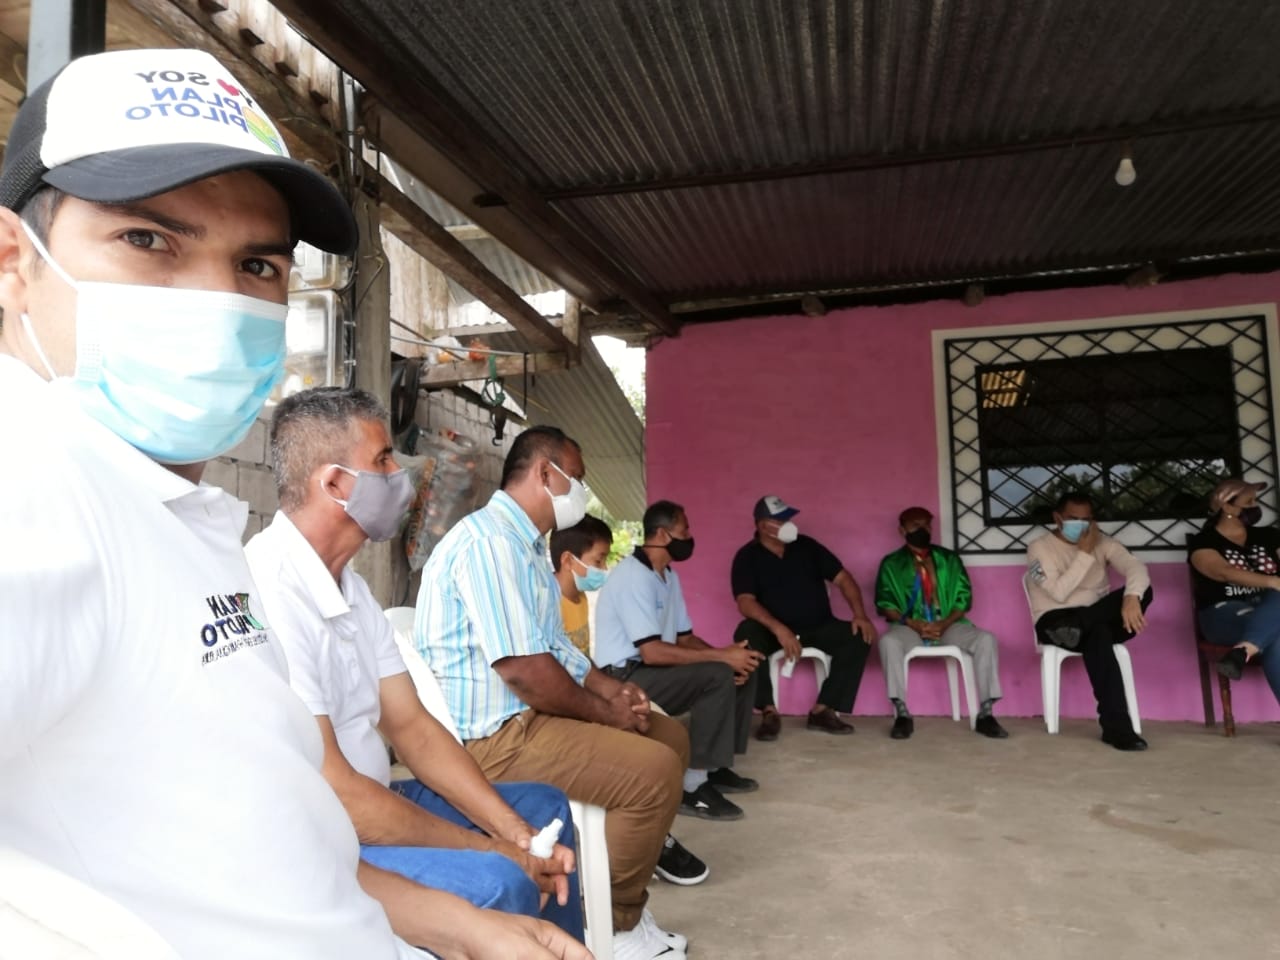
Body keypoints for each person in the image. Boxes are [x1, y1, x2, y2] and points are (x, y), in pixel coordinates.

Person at [0, 47, 586, 960]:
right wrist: (490, 857)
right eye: (148, 240)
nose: (217, 302)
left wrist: (468, 927)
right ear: (13, 262)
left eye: (258, 264)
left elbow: (281, 832)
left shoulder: (178, 515)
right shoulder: (36, 484)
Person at [246, 387, 583, 940]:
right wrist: (492, 850)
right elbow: (341, 794)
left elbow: (413, 729)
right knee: (499, 880)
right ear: (334, 484)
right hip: (321, 832)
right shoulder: (271, 592)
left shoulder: (351, 590)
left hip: (370, 804)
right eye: (382, 459)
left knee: (541, 813)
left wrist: (515, 835)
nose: (398, 473)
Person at [415, 425, 693, 960]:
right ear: (546, 474)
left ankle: (617, 887)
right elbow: (524, 670)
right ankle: (612, 927)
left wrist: (616, 691)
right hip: (493, 740)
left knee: (669, 737)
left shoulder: (525, 546)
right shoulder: (490, 543)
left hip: (527, 717)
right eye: (578, 479)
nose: (582, 492)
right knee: (654, 774)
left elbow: (557, 649)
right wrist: (606, 715)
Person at [549, 514, 710, 887]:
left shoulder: (577, 599)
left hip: (589, 690)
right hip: (567, 707)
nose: (604, 569)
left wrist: (613, 691)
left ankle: (653, 835)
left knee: (664, 730)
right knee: (642, 750)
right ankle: (638, 849)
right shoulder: (550, 600)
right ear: (568, 560)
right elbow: (553, 677)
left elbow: (581, 662)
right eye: (599, 559)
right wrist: (604, 708)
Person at [595, 500, 763, 822]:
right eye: (684, 530)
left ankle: (714, 767)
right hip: (623, 679)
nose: (689, 536)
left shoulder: (667, 576)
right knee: (718, 674)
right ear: (662, 534)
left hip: (651, 669)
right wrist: (722, 658)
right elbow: (652, 652)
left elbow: (685, 639)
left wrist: (732, 657)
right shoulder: (633, 576)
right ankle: (692, 788)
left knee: (742, 668)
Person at [731, 495, 877, 739]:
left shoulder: (807, 546)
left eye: (788, 518)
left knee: (859, 636)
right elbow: (745, 602)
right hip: (773, 632)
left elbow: (844, 578)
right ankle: (768, 712)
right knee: (746, 633)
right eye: (780, 520)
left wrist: (860, 615)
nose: (788, 524)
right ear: (763, 526)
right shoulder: (747, 557)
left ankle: (823, 710)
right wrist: (780, 629)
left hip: (818, 626)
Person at [1026, 491, 1153, 751]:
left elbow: (1136, 567)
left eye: (1087, 519)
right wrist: (1084, 553)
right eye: (1074, 519)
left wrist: (1131, 596)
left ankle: (1080, 624)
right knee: (1099, 634)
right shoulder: (1038, 548)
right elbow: (1058, 593)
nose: (1082, 525)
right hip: (1055, 622)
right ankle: (1118, 730)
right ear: (1057, 518)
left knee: (1144, 591)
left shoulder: (1103, 542)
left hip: (1088, 621)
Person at [874, 507, 1008, 740]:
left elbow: (964, 599)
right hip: (909, 626)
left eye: (927, 524)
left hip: (947, 624)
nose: (923, 529)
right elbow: (884, 604)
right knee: (888, 642)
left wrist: (944, 623)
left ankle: (986, 713)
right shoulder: (891, 563)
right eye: (915, 525)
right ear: (902, 530)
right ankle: (902, 713)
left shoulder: (949, 559)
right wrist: (913, 623)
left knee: (986, 639)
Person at [1188, 477, 1280, 703]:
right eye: (1248, 502)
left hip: (1270, 609)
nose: (1255, 507)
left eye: (1255, 501)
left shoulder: (1268, 535)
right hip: (1222, 613)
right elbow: (1224, 572)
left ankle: (1243, 650)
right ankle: (1249, 645)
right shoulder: (1204, 542)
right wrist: (1272, 581)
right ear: (1227, 507)